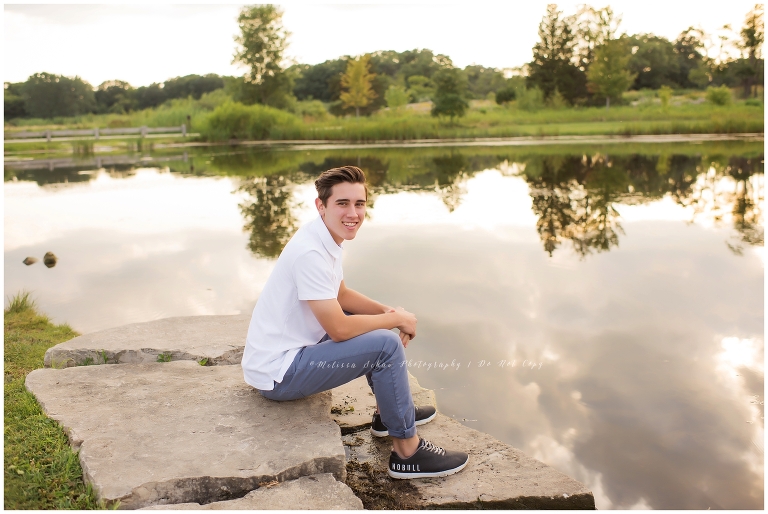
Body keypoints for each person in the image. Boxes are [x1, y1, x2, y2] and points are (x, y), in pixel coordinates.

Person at [242, 165, 468, 479]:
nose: (353, 213)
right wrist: (393, 321)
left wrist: (389, 313)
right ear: (321, 205)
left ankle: (388, 414)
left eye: (359, 204)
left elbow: (341, 294)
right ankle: (407, 452)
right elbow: (339, 329)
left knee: (372, 326)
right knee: (385, 346)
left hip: (288, 355)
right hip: (280, 374)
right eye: (342, 204)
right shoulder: (310, 252)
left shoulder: (323, 236)